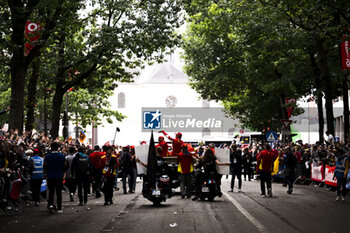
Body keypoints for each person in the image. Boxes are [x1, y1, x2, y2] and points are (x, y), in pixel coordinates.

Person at [44, 142, 67, 213]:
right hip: (59, 176)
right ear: (58, 148)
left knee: (51, 192)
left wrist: (46, 173)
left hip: (50, 176)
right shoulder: (62, 156)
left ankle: (50, 205)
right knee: (58, 192)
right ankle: (59, 207)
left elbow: (45, 166)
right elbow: (65, 166)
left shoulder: (47, 156)